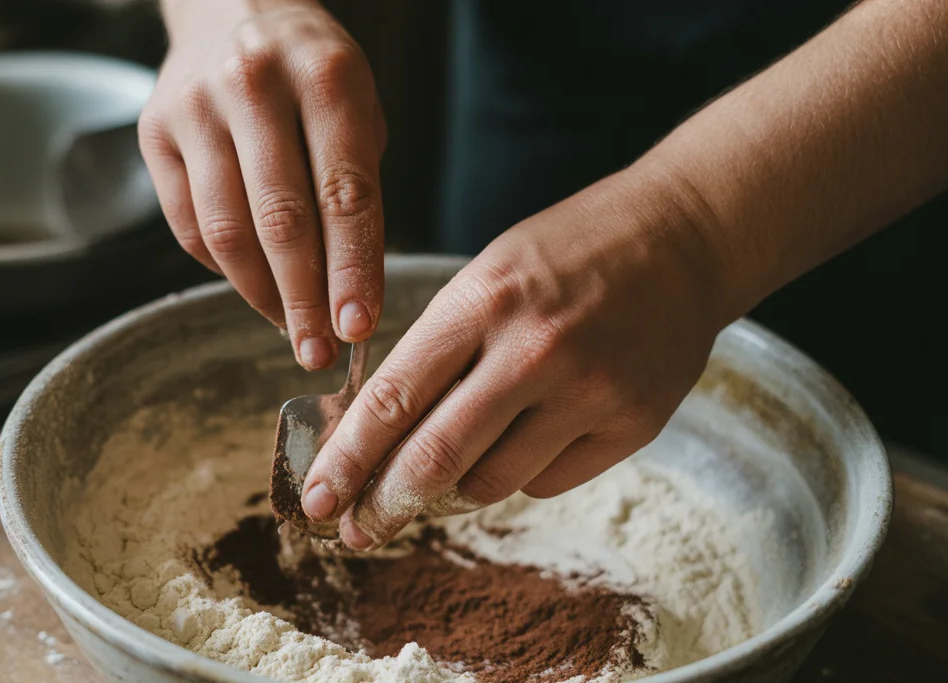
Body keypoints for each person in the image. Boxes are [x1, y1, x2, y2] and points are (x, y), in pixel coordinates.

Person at [138, 0, 948, 551]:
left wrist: (696, 231)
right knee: (489, 379)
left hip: (878, 111)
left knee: (882, 516)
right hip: (543, 52)